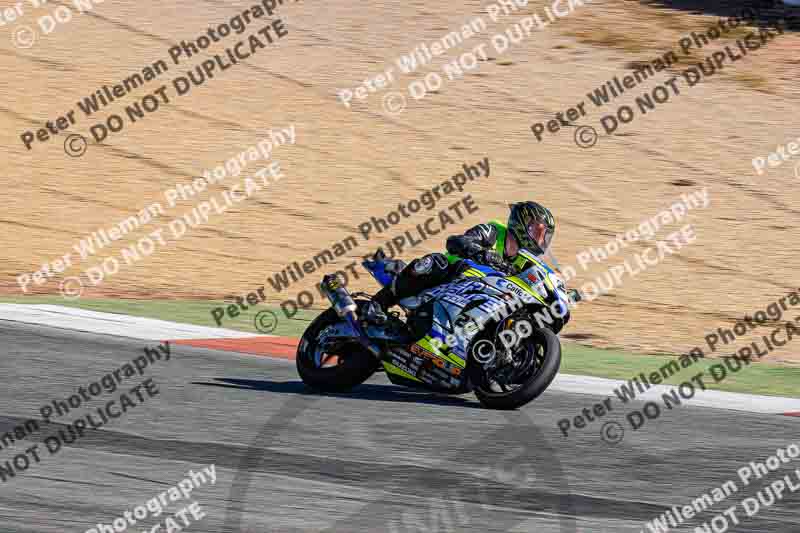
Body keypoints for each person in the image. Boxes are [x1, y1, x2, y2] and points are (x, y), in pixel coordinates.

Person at [363, 201, 556, 324]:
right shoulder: (494, 231)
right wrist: (482, 253)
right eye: (537, 231)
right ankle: (377, 304)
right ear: (521, 223)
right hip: (453, 273)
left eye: (545, 235)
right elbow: (457, 242)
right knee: (433, 263)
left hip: (483, 293)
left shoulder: (525, 260)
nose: (541, 240)